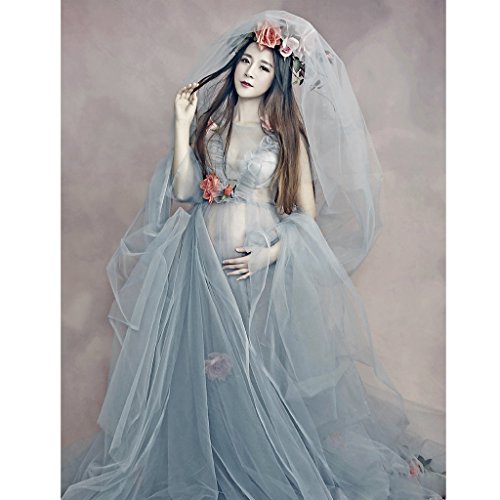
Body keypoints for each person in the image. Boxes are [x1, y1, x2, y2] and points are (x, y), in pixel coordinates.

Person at [61, 10, 445, 499]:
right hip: (199, 265)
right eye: (245, 60)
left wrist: (267, 257)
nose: (249, 71)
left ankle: (261, 462)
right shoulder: (211, 125)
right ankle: (209, 461)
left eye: (263, 67)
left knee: (253, 367)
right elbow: (185, 192)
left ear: (276, 78)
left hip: (255, 271)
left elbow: (306, 218)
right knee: (203, 369)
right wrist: (181, 125)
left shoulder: (285, 137)